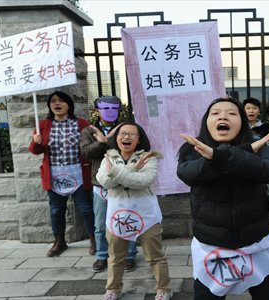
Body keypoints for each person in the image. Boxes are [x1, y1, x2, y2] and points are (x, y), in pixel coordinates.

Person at [177, 97, 269, 300]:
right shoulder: (192, 149)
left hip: (258, 244)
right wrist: (234, 154)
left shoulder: (258, 145)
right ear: (206, 122)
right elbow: (189, 174)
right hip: (211, 247)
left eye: (232, 113)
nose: (223, 116)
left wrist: (219, 155)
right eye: (215, 113)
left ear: (242, 121)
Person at [96, 122, 172, 300]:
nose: (126, 137)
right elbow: (104, 182)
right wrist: (131, 169)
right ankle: (113, 289)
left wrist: (116, 173)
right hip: (117, 215)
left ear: (139, 140)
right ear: (116, 138)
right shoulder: (108, 156)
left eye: (132, 134)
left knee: (155, 256)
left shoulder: (149, 158)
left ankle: (164, 289)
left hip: (146, 215)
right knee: (115, 257)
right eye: (123, 133)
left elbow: (142, 181)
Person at [28, 91, 95, 257]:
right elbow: (36, 151)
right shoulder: (43, 125)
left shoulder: (81, 123)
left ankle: (95, 239)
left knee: (85, 208)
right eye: (53, 101)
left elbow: (90, 147)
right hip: (54, 175)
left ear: (69, 104)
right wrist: (35, 142)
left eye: (61, 101)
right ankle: (59, 241)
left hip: (78, 173)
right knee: (56, 210)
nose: (57, 104)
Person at [80, 96, 139, 273]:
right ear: (97, 111)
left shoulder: (125, 129)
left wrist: (110, 141)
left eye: (114, 108)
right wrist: (101, 142)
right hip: (100, 184)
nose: (110, 112)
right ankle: (101, 256)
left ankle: (129, 256)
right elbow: (86, 153)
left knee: (126, 220)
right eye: (105, 108)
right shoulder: (89, 131)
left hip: (122, 182)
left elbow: (130, 148)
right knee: (100, 224)